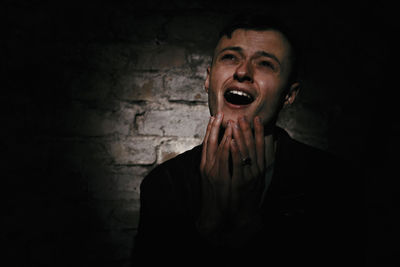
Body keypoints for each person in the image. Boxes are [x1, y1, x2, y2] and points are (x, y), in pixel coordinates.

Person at [132, 13, 360, 265]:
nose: (242, 71)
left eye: (265, 63)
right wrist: (207, 225)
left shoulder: (335, 183)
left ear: (289, 95)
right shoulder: (164, 185)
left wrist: (248, 227)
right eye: (230, 57)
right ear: (208, 79)